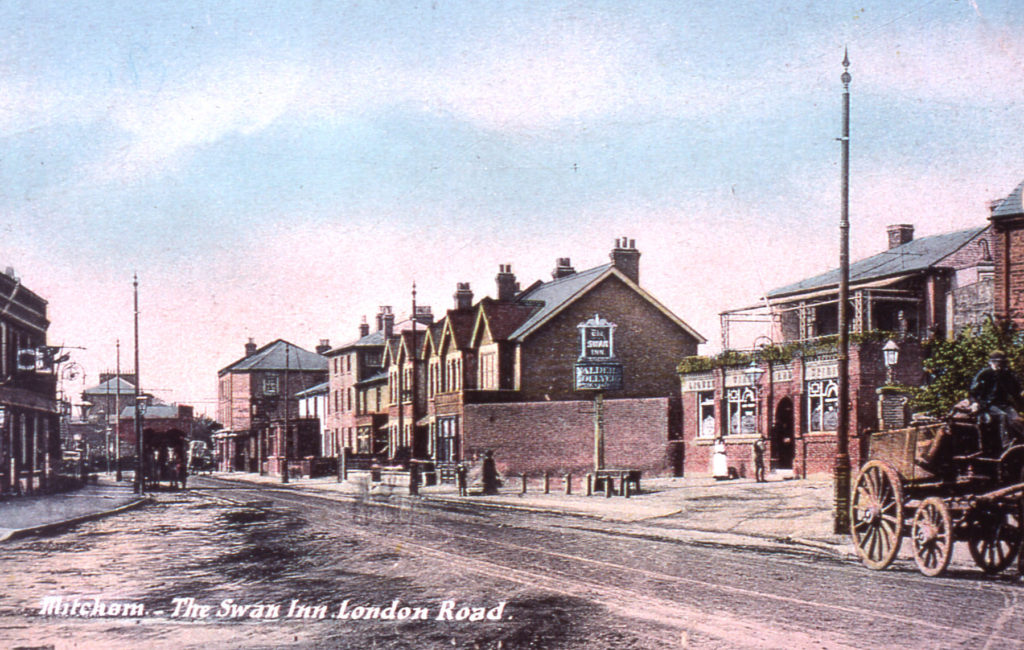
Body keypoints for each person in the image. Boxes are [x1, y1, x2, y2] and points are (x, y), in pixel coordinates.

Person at [969, 349, 1024, 455]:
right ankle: (1006, 444)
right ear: (991, 362)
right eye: (997, 362)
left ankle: (1020, 441)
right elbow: (973, 391)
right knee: (1002, 416)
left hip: (1004, 404)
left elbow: (1016, 391)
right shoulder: (984, 374)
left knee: (1016, 418)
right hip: (988, 404)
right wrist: (975, 403)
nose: (1000, 365)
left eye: (1002, 362)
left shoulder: (1007, 374)